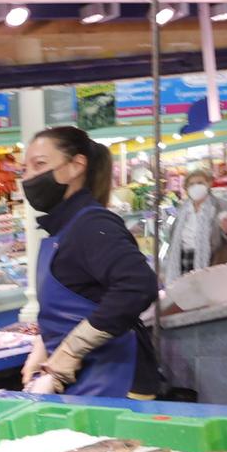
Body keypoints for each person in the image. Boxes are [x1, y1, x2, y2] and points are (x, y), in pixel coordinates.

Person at [18, 126, 162, 398]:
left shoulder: (92, 224)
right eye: (25, 169)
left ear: (76, 166)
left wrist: (68, 354)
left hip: (116, 380)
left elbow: (137, 285)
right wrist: (42, 346)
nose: (30, 177)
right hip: (87, 379)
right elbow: (86, 295)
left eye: (40, 165)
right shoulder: (62, 228)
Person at [162, 167, 227, 282]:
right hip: (182, 260)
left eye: (200, 183)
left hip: (211, 260)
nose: (196, 187)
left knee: (207, 294)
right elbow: (172, 236)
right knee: (186, 295)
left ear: (209, 184)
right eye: (191, 184)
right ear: (186, 188)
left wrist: (226, 229)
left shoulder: (221, 206)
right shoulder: (182, 209)